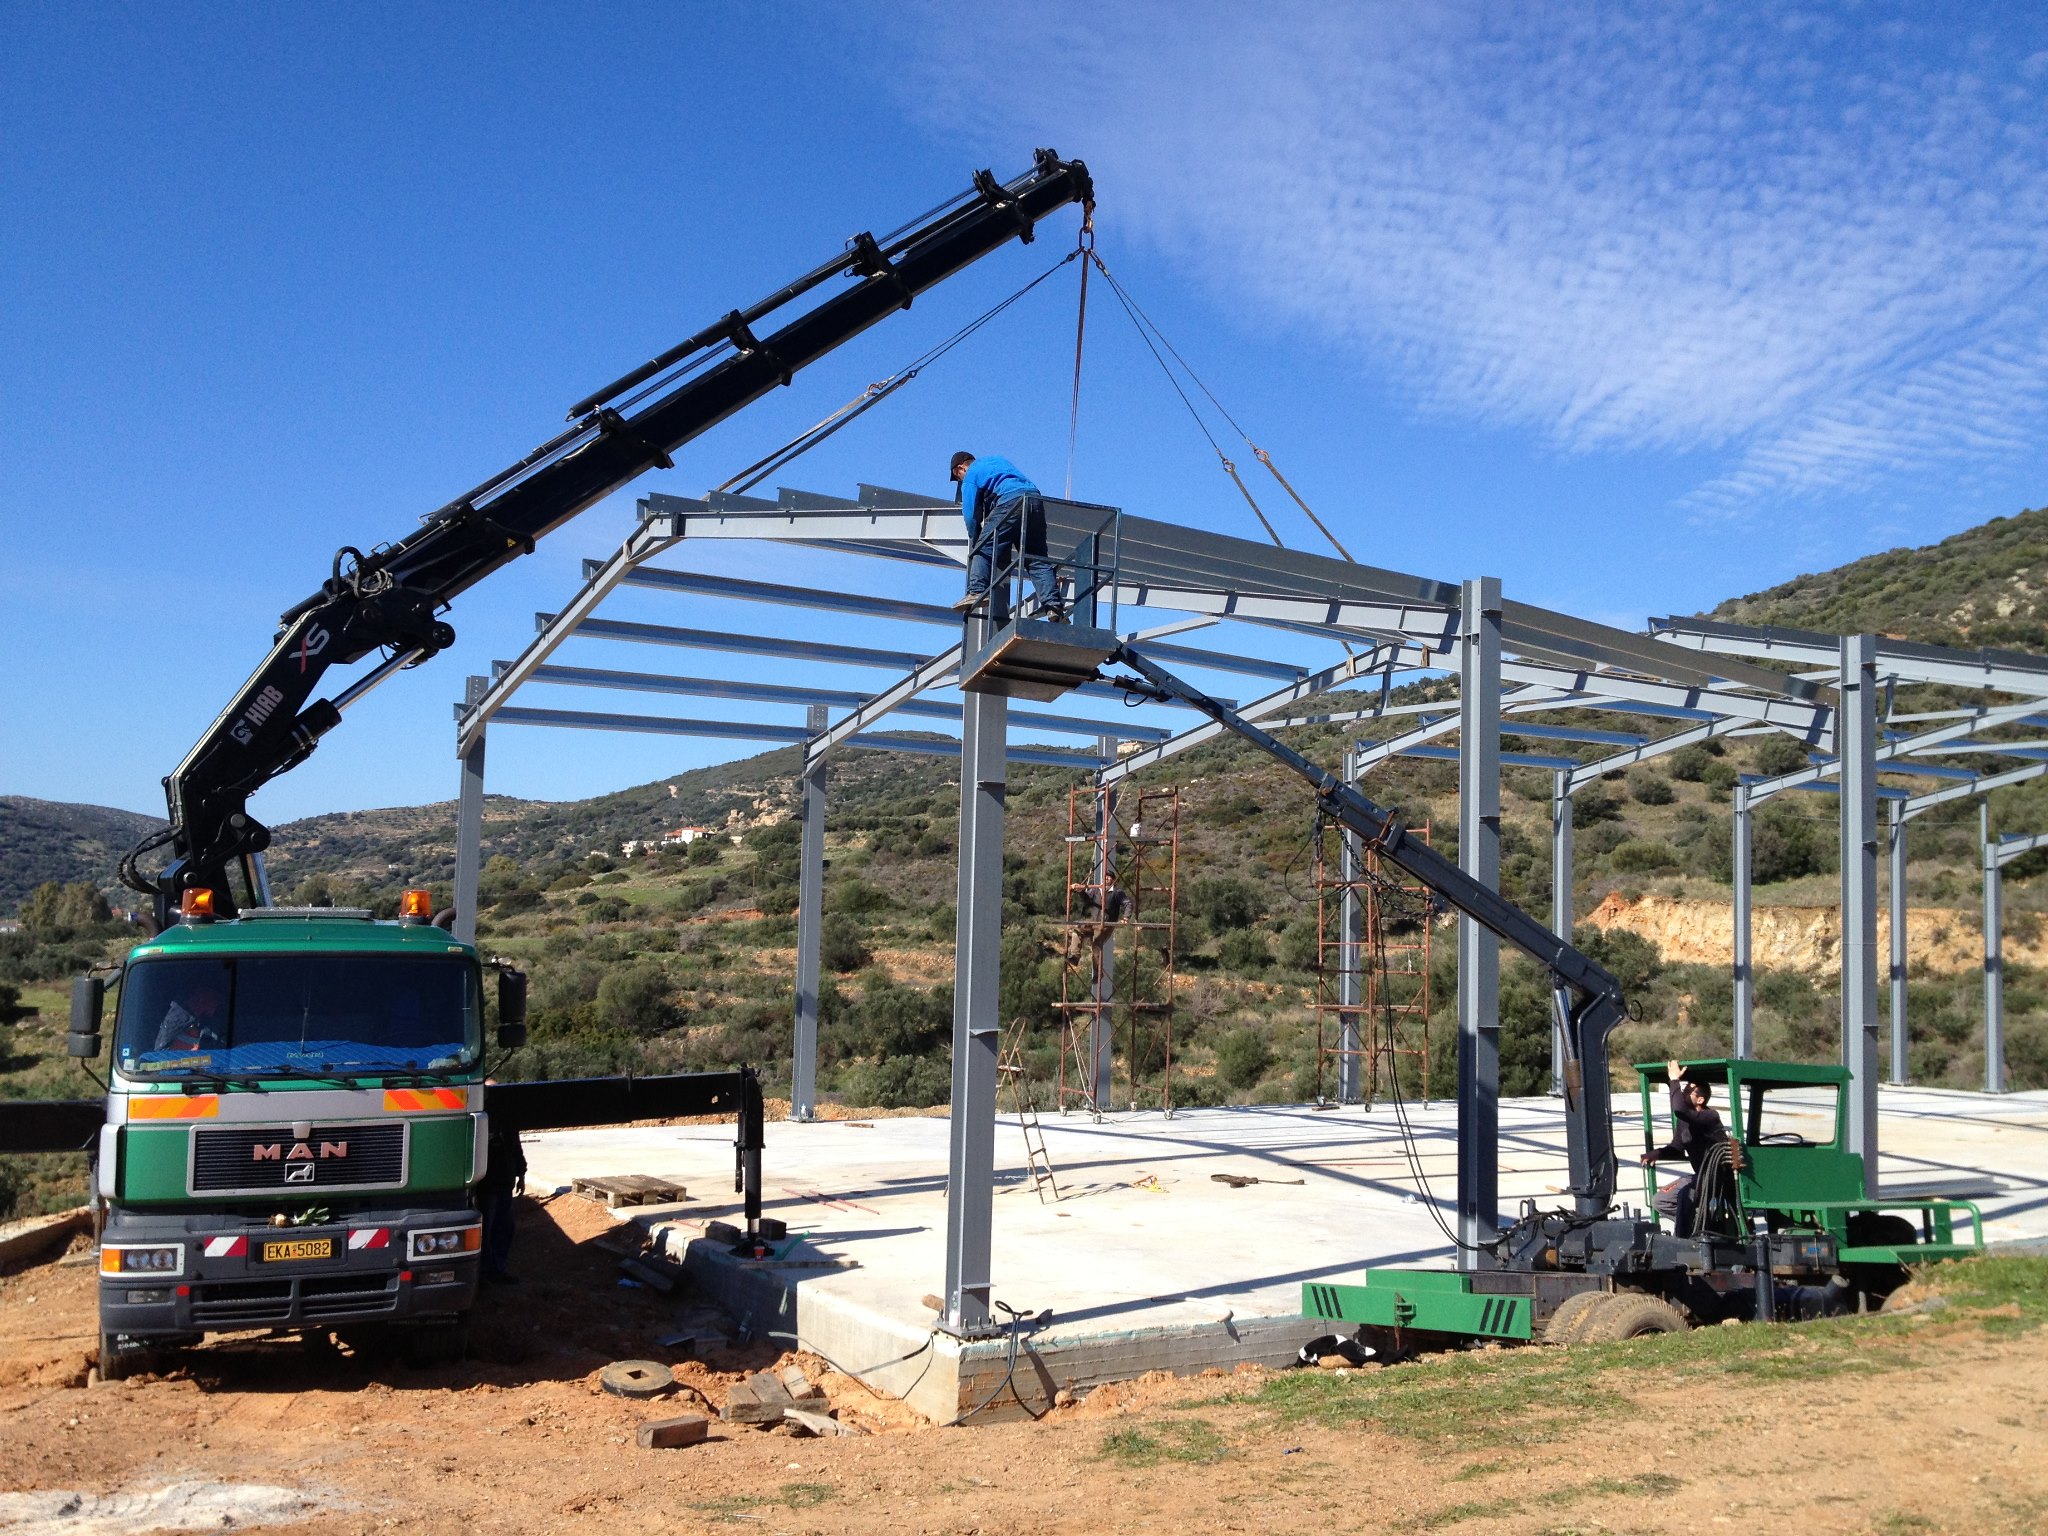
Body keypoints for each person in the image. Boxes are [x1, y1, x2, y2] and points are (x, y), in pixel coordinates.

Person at [950, 451, 1061, 619]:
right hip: (1034, 499)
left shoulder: (971, 474)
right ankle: (1054, 607)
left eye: (958, 477)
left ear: (961, 468)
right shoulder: (995, 461)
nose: (960, 480)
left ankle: (976, 590)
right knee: (1036, 558)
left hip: (1010, 501)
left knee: (983, 548)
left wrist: (976, 537)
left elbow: (971, 515)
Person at [1640, 1060, 1727, 1236]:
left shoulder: (1710, 1116)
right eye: (1684, 1090)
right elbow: (1677, 1147)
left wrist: (1674, 1080)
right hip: (1699, 1177)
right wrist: (1656, 1154)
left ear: (1700, 1099)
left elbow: (1679, 1109)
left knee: (1685, 1196)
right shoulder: (1684, 1121)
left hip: (1717, 1178)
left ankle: (1684, 1238)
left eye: (1689, 1091)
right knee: (1660, 1200)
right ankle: (1696, 1225)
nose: (1684, 1092)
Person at [478, 1098, 526, 1285]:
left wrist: (521, 1174)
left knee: (505, 1227)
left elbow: (516, 1149)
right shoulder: (481, 1124)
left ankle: (498, 1269)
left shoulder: (508, 1124)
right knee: (486, 1230)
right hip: (486, 1186)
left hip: (504, 1183)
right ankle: (484, 1272)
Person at [154, 981, 227, 1052]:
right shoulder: (177, 1019)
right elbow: (161, 1052)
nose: (216, 1006)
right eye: (216, 1000)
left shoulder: (212, 1025)